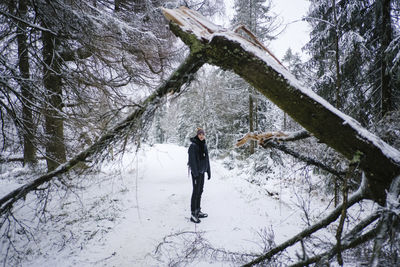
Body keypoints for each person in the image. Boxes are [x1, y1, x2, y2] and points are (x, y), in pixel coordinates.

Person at [188, 128, 211, 223]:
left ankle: (198, 210)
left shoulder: (204, 145)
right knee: (195, 192)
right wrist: (196, 174)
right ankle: (193, 213)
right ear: (197, 135)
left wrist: (208, 171)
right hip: (196, 173)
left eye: (203, 134)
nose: (201, 136)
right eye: (200, 134)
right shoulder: (193, 146)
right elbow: (192, 161)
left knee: (200, 191)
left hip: (202, 172)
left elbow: (207, 159)